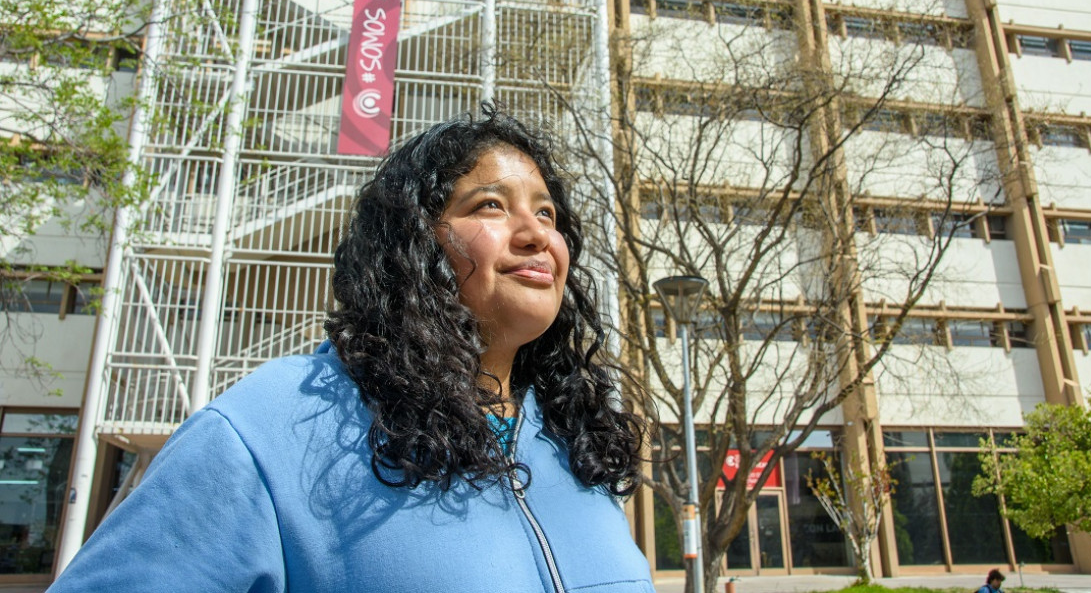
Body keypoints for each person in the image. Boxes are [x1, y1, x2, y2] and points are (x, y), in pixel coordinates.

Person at [49, 108, 654, 592]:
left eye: (546, 212)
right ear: (413, 243)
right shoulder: (268, 428)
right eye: (491, 205)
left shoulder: (575, 444)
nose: (537, 234)